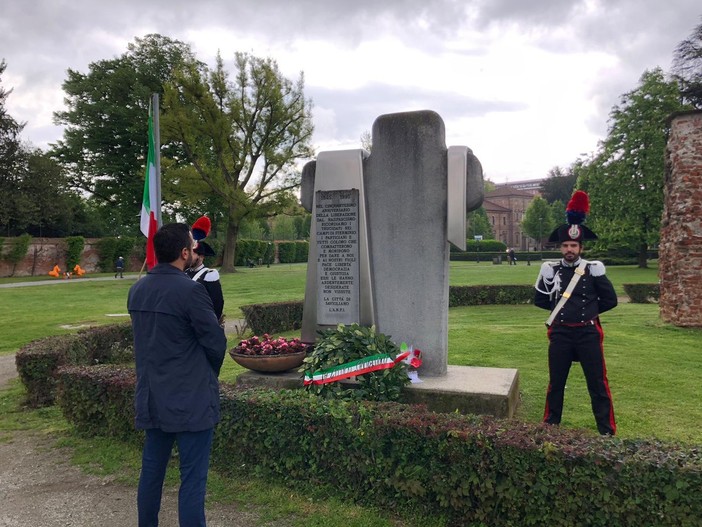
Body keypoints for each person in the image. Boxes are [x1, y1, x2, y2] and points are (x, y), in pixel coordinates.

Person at [127, 223, 227, 526]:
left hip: (153, 395)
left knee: (152, 472)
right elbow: (215, 342)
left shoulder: (137, 289)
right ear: (185, 252)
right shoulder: (192, 291)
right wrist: (207, 372)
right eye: (191, 247)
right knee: (193, 479)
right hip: (190, 399)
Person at [533, 190, 618, 436]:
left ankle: (607, 431)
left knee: (598, 384)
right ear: (561, 247)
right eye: (566, 245)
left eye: (574, 245)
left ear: (580, 247)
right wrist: (562, 313)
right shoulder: (551, 270)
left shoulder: (593, 270)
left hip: (588, 333)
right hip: (560, 333)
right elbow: (540, 299)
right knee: (556, 384)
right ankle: (550, 427)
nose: (570, 249)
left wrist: (588, 312)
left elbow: (610, 300)